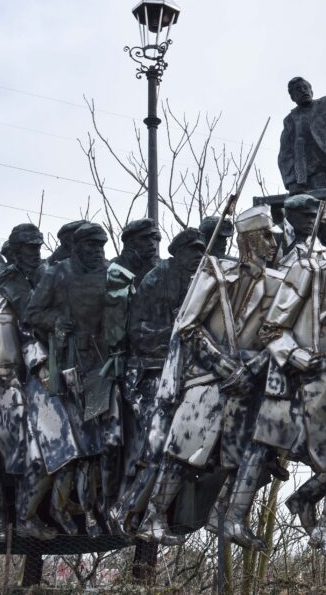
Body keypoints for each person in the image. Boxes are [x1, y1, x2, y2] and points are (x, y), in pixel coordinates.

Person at [222, 210, 326, 550]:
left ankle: (304, 501)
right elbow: (272, 329)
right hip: (290, 379)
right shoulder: (307, 270)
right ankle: (234, 516)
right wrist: (295, 355)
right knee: (263, 448)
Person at [137, 209, 280, 544]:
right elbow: (188, 326)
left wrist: (251, 369)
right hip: (205, 377)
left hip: (246, 385)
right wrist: (221, 364)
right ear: (249, 239)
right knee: (185, 451)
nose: (273, 243)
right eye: (266, 235)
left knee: (248, 452)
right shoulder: (215, 273)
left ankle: (227, 517)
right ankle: (153, 517)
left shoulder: (277, 285)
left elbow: (277, 336)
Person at [111, 228, 206, 534]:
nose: (197, 257)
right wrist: (174, 337)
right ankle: (123, 508)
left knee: (173, 447)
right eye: (192, 251)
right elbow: (137, 331)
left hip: (181, 375)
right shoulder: (156, 279)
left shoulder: (198, 281)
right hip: (148, 375)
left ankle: (151, 511)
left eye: (200, 251)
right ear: (177, 252)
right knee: (146, 446)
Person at [26, 222, 112, 535]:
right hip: (64, 371)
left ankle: (85, 509)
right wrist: (59, 322)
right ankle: (52, 510)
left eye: (101, 246)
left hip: (99, 370)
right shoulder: (56, 274)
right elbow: (32, 314)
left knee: (95, 451)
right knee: (73, 451)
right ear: (76, 247)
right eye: (91, 246)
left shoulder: (108, 274)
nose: (97, 252)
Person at [0, 224, 53, 538]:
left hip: (9, 383)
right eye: (29, 248)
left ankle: (17, 518)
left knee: (16, 454)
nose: (35, 254)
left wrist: (39, 367)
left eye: (37, 248)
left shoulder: (21, 287)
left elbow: (30, 334)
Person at [103, 218, 161, 516]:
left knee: (147, 437)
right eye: (148, 240)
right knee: (114, 440)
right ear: (131, 243)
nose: (154, 246)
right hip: (116, 369)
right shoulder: (115, 274)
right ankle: (113, 502)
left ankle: (134, 501)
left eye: (156, 240)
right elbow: (113, 328)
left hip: (149, 367)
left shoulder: (158, 272)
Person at [278, 193, 322, 264]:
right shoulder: (274, 237)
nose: (311, 221)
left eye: (314, 216)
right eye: (306, 215)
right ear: (289, 213)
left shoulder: (314, 240)